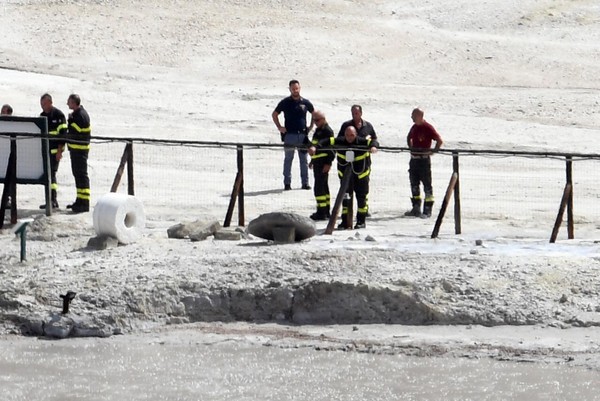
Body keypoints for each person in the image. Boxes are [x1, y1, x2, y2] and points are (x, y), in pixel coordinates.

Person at [309, 126, 378, 229]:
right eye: (347, 135)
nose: (349, 137)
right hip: (345, 177)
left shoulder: (361, 141)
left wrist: (373, 147)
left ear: (356, 135)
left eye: (352, 135)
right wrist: (315, 146)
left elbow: (373, 142)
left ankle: (360, 221)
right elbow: (327, 141)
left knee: (362, 199)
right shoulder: (340, 140)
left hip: (361, 176)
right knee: (346, 198)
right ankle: (345, 221)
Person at [272, 79, 314, 191]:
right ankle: (287, 183)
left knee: (303, 160)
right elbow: (275, 114)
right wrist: (280, 127)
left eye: (297, 88)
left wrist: (311, 126)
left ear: (300, 88)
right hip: (289, 135)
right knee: (288, 160)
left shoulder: (305, 102)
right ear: (290, 89)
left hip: (302, 136)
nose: (295, 90)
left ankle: (305, 183)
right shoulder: (285, 102)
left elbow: (314, 113)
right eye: (293, 88)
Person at [404, 107, 443, 218]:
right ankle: (416, 208)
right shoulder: (414, 127)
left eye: (414, 115)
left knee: (427, 185)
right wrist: (411, 148)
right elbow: (409, 137)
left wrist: (433, 151)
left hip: (424, 161)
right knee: (414, 184)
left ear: (419, 116)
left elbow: (439, 141)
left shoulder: (428, 127)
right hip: (414, 160)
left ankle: (427, 210)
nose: (412, 117)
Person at [39, 93, 68, 210]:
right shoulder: (42, 116)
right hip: (45, 151)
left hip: (55, 151)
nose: (42, 106)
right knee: (48, 175)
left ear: (50, 102)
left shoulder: (58, 115)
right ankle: (49, 199)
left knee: (52, 175)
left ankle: (53, 200)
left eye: (44, 104)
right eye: (41, 104)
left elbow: (63, 135)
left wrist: (60, 151)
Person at [66, 94, 91, 213]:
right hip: (76, 150)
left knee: (81, 176)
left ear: (74, 102)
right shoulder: (78, 114)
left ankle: (84, 203)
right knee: (78, 176)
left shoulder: (80, 115)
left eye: (69, 102)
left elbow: (76, 130)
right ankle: (79, 200)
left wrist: (70, 120)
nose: (67, 104)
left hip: (80, 151)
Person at [308, 110, 335, 221]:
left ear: (323, 119)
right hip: (318, 162)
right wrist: (312, 161)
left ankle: (322, 212)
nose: (316, 122)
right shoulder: (318, 130)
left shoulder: (327, 131)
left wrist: (328, 163)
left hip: (323, 163)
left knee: (319, 188)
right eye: (314, 120)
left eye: (317, 120)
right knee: (323, 187)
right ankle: (325, 211)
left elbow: (331, 149)